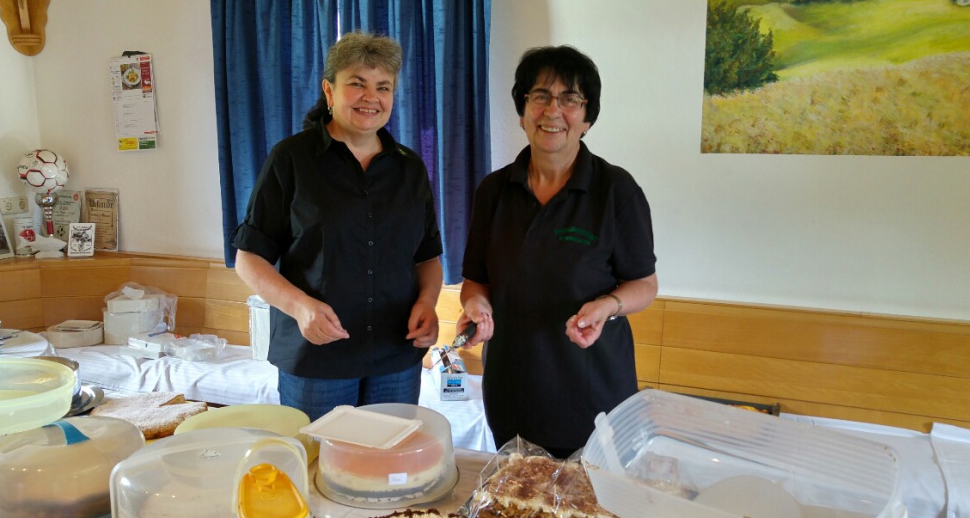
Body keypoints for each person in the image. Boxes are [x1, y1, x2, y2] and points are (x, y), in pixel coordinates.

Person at [458, 45, 658, 459]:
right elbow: (477, 280)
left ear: (587, 118)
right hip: (512, 385)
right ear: (522, 110)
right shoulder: (494, 191)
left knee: (589, 515)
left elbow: (644, 284)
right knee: (517, 506)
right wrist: (477, 307)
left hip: (593, 388)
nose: (553, 111)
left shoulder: (616, 191)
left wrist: (608, 305)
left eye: (570, 99)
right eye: (540, 96)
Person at [232, 31, 443, 423]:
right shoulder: (291, 160)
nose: (371, 97)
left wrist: (428, 304)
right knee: (317, 471)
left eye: (384, 87)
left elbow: (427, 257)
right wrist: (300, 307)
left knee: (385, 470)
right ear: (329, 91)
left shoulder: (409, 168)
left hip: (396, 357)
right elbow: (249, 259)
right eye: (357, 84)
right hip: (317, 359)